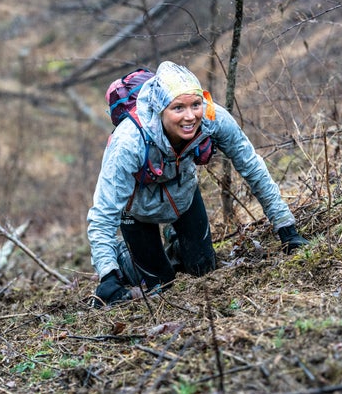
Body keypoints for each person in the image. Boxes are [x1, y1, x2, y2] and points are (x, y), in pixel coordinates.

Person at [87, 61, 309, 306]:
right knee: (161, 285)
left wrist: (286, 227)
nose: (190, 116)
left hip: (184, 197)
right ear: (161, 109)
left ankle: (175, 240)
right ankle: (123, 255)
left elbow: (252, 167)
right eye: (178, 108)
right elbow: (103, 212)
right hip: (137, 212)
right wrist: (107, 274)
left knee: (203, 269)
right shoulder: (128, 141)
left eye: (195, 104)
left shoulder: (213, 118)